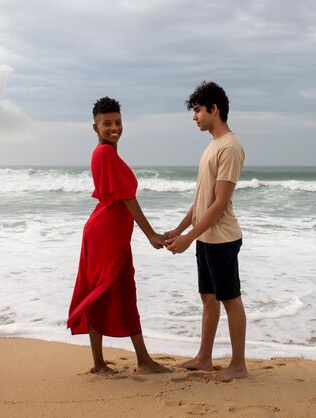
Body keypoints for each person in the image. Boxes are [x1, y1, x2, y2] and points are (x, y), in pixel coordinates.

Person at [67, 97, 169, 375]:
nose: (114, 128)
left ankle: (143, 360)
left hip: (112, 233)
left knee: (125, 291)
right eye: (107, 123)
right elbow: (127, 198)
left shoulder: (108, 153)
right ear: (95, 127)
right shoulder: (105, 154)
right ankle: (100, 363)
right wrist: (151, 234)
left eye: (118, 122)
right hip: (105, 234)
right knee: (101, 292)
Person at [165, 81, 247, 381]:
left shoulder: (231, 147)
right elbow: (201, 200)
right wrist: (180, 229)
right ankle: (204, 358)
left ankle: (238, 365)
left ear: (214, 109)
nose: (194, 117)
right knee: (208, 299)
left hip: (222, 239)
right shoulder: (211, 146)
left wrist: (188, 238)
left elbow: (220, 203)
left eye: (198, 110)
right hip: (206, 237)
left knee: (230, 300)